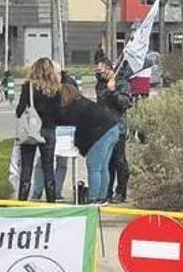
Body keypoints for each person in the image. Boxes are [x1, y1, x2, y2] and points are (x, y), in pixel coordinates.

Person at [58, 81, 121, 204]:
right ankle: (103, 196)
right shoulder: (83, 102)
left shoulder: (74, 108)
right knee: (103, 167)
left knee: (94, 167)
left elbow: (77, 129)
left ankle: (93, 198)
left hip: (101, 133)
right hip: (113, 128)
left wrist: (78, 146)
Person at [15, 58, 64, 202]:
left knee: (27, 167)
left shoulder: (28, 86)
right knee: (48, 167)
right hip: (49, 130)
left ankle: (22, 202)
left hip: (31, 129)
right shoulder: (56, 89)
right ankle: (51, 201)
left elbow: (19, 110)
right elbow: (60, 112)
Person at [95, 58, 133, 202]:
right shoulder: (100, 84)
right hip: (104, 128)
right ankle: (107, 191)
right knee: (106, 162)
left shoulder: (122, 82)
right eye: (97, 72)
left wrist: (113, 91)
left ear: (110, 69)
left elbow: (125, 103)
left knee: (119, 161)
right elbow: (101, 101)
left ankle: (121, 192)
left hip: (118, 127)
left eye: (102, 71)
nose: (99, 74)